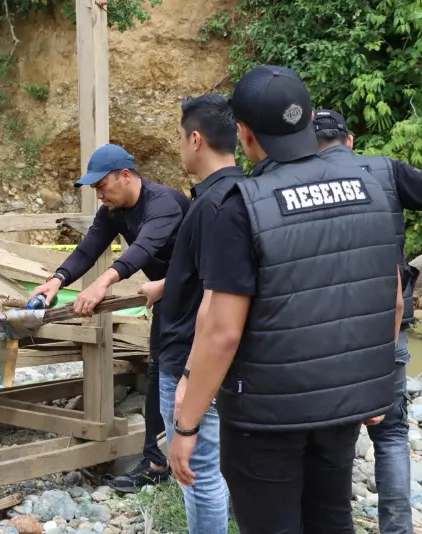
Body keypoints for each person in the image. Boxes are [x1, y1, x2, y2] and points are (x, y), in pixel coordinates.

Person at [169, 65, 404, 534]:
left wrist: (186, 425)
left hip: (266, 419)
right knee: (331, 517)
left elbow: (222, 331)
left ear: (245, 134)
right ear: (310, 118)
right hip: (341, 406)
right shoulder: (371, 186)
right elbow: (390, 299)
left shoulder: (242, 205)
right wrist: (373, 383)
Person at [314, 108, 422, 534]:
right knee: (392, 432)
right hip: (385, 319)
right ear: (349, 142)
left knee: (328, 430)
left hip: (320, 327)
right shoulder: (385, 171)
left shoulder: (294, 179)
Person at [30, 143, 189, 492]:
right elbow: (90, 247)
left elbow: (142, 248)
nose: (99, 194)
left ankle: (200, 463)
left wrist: (103, 283)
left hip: (199, 296)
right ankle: (155, 463)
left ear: (126, 175)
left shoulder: (164, 203)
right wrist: (55, 281)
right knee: (159, 371)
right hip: (166, 298)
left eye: (103, 185)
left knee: (190, 376)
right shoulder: (113, 210)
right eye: (95, 188)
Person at [137, 94, 240, 533]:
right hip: (198, 358)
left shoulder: (212, 206)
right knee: (208, 469)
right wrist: (167, 283)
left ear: (195, 139)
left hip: (187, 359)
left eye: (180, 137)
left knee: (197, 474)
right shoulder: (239, 195)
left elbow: (217, 302)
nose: (179, 146)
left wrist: (188, 379)